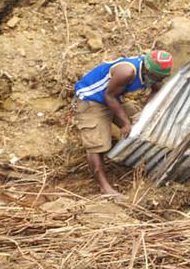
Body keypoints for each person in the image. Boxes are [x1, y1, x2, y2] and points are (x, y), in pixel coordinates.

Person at [74, 50, 173, 197]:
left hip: (115, 98)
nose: (158, 80)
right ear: (147, 70)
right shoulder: (126, 72)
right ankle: (104, 187)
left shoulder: (154, 74)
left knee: (141, 124)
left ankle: (140, 165)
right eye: (156, 77)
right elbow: (109, 96)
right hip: (92, 99)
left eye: (162, 77)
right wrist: (125, 123)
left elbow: (156, 90)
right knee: (97, 144)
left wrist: (146, 110)